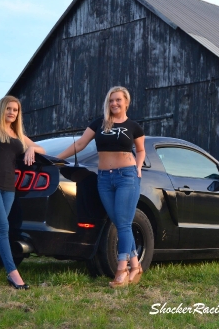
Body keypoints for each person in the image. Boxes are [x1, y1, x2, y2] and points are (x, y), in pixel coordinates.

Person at [56, 86, 145, 288]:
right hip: (104, 179)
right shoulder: (99, 123)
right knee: (119, 222)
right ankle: (135, 264)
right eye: (111, 100)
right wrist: (56, 159)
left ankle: (121, 270)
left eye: (118, 100)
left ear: (126, 102)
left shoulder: (134, 127)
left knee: (122, 224)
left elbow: (140, 150)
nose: (114, 103)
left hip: (127, 177)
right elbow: (80, 144)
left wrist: (138, 167)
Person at [0, 95, 45, 290]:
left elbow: (43, 149)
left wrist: (31, 148)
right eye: (8, 109)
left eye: (15, 110)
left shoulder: (17, 135)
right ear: (1, 109)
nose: (12, 112)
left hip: (9, 188)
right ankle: (13, 273)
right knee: (3, 227)